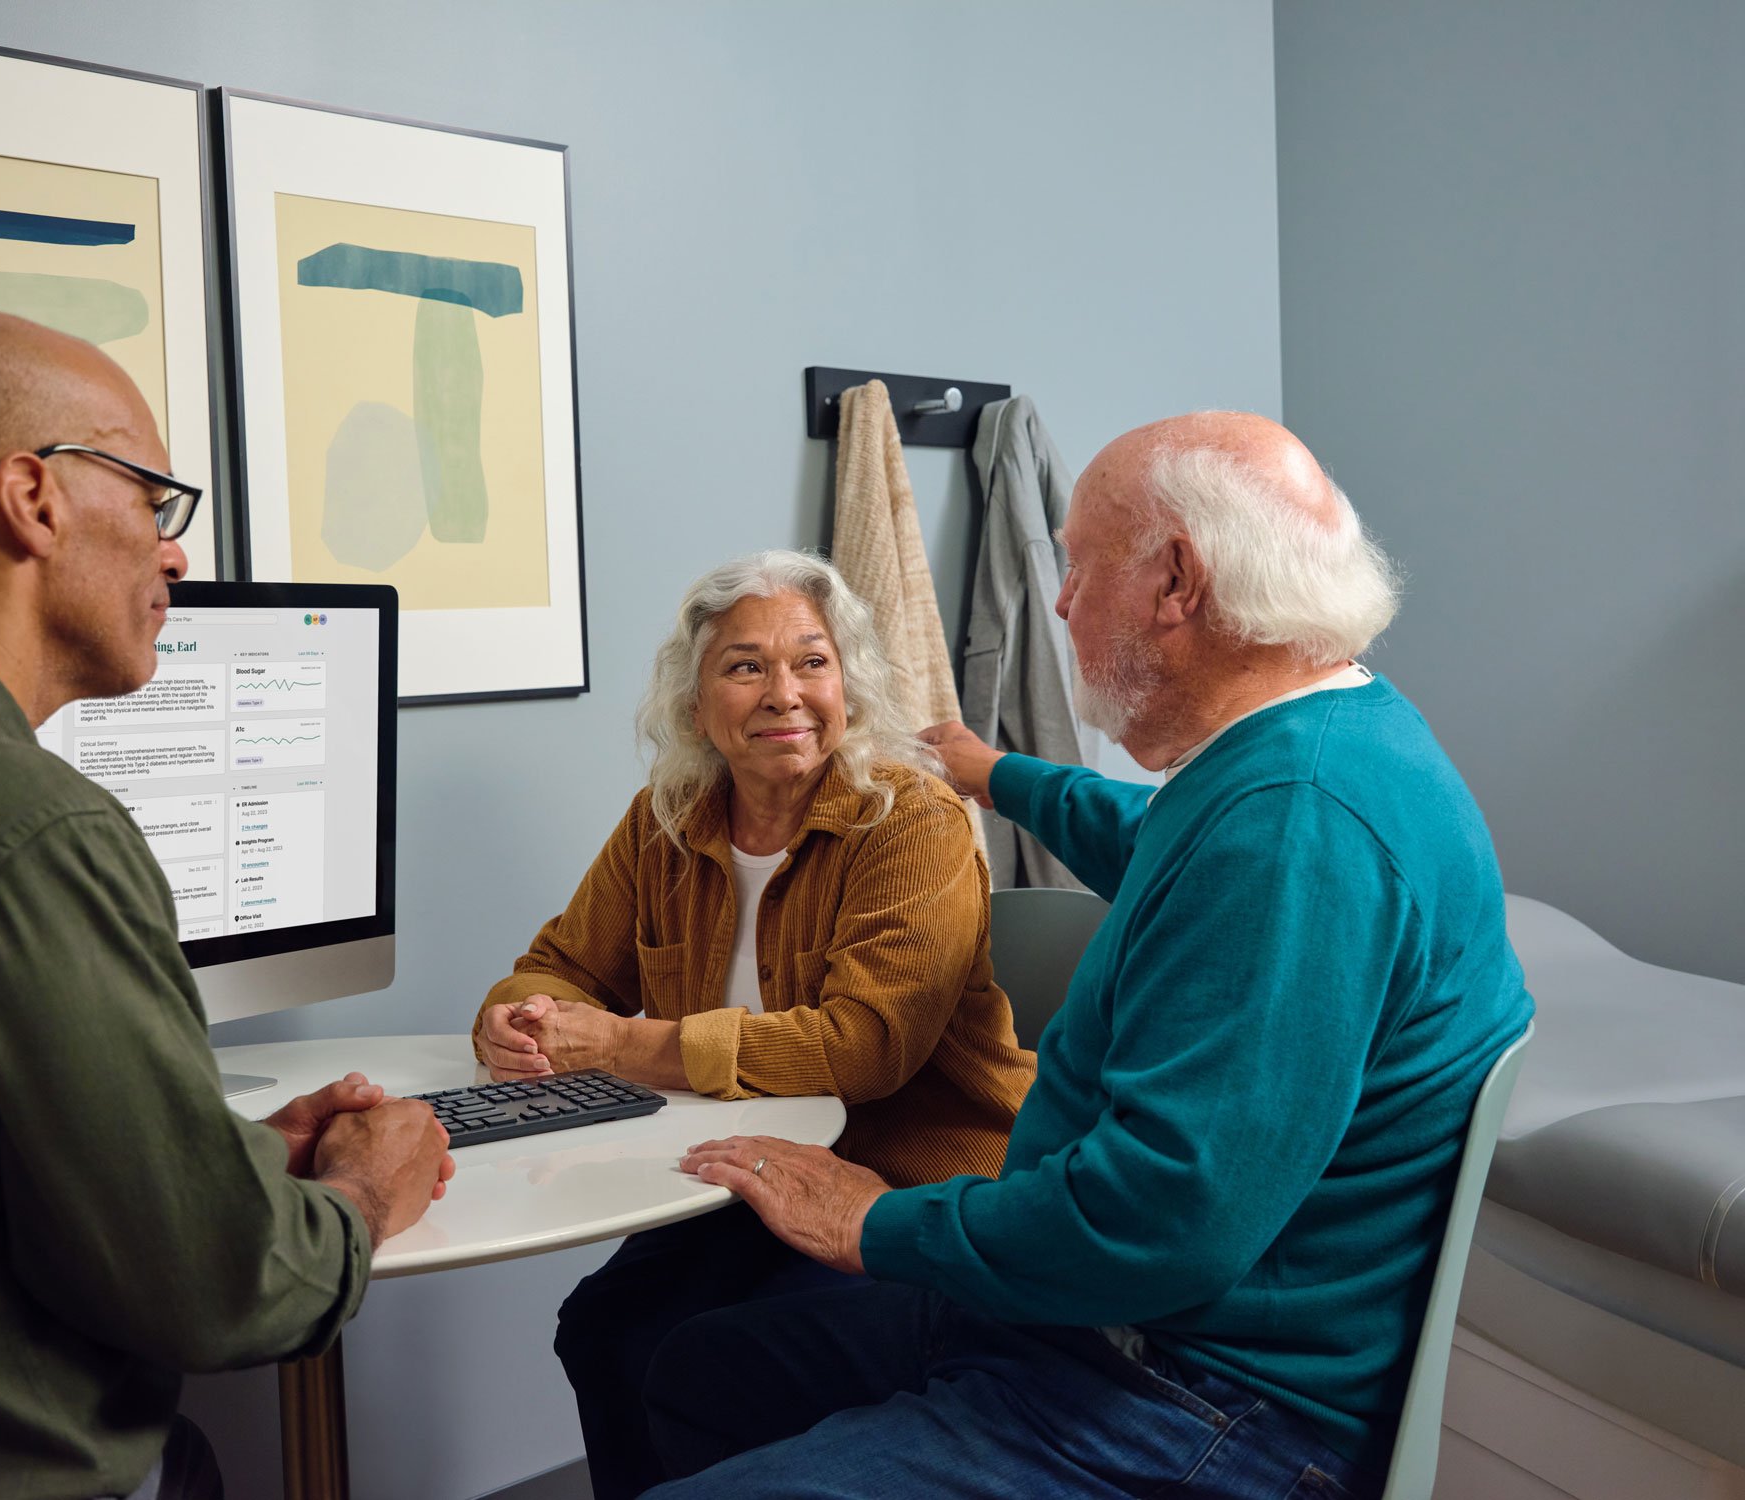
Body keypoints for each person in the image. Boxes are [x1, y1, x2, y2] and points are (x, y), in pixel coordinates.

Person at [649, 412, 1535, 1499]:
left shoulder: (1293, 826)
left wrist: (871, 1221)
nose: (1059, 602)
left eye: (1074, 566)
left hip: (1191, 1402)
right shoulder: (1322, 736)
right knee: (686, 1368)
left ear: (1175, 581)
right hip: (1115, 1328)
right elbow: (1153, 835)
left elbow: (1152, 1221)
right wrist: (994, 773)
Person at [0, 310, 455, 1500]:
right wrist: (365, 1189)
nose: (175, 552)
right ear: (32, 498)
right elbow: (223, 1293)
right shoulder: (31, 829)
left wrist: (221, 1154)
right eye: (152, 496)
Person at [472, 549, 1034, 1499]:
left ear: (848, 686)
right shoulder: (667, 818)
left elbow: (865, 1047)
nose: (785, 693)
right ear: (697, 707)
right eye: (745, 666)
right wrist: (513, 1016)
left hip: (912, 1189)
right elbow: (565, 964)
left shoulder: (913, 821)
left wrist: (616, 1043)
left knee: (707, 1358)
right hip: (741, 1180)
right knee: (605, 1330)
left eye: (812, 662)